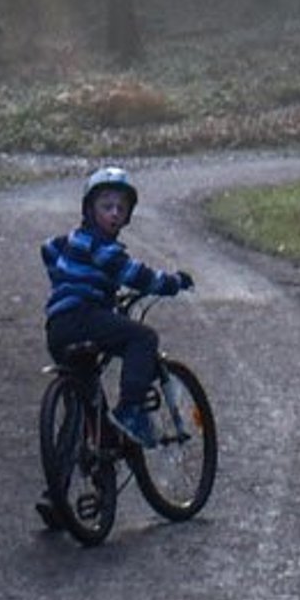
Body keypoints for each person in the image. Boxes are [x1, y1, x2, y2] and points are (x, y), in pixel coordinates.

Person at [42, 160, 189, 441]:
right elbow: (134, 274)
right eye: (106, 206)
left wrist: (64, 283)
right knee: (143, 339)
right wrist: (173, 282)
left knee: (87, 397)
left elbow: (48, 249)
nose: (114, 213)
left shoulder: (74, 240)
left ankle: (69, 464)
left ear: (128, 215)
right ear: (89, 209)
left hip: (57, 328)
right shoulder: (100, 246)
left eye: (121, 208)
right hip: (83, 318)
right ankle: (131, 410)